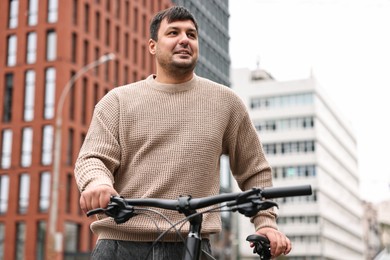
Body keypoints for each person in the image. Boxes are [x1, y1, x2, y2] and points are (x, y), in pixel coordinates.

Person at [74, 6, 291, 260]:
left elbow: (254, 169)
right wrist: (98, 183)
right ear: (153, 46)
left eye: (191, 34)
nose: (184, 40)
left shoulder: (226, 103)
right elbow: (92, 158)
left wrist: (265, 223)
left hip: (194, 244)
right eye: (173, 32)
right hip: (120, 245)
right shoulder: (118, 101)